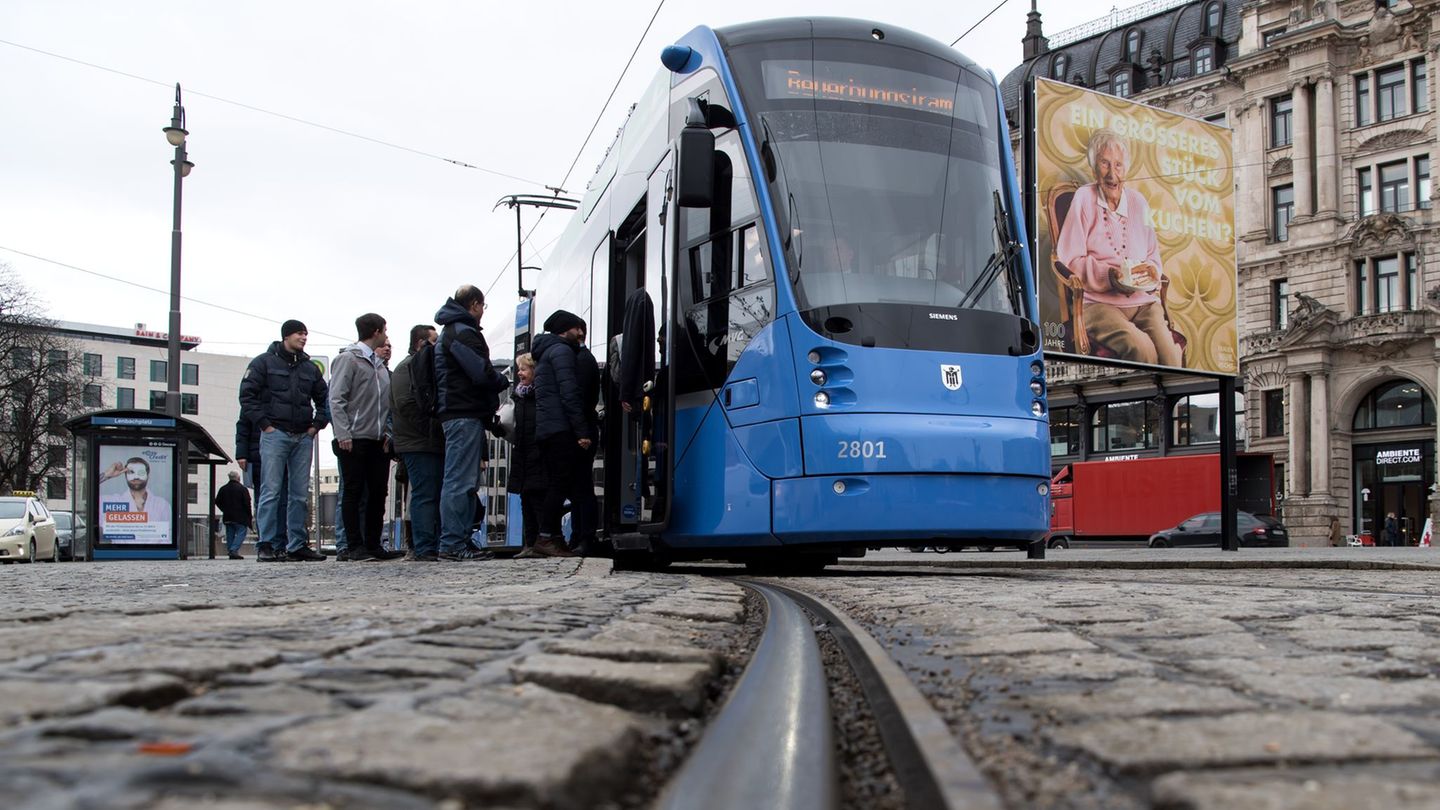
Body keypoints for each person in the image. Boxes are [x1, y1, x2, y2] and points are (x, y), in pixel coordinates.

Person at [1056, 129, 1183, 367]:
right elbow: (1069, 259)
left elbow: (1153, 258)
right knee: (1142, 349)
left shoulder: (1138, 202)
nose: (1112, 174)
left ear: (1126, 169)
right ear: (1094, 167)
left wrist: (1151, 273)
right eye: (1104, 163)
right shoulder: (1084, 197)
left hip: (1143, 302)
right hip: (1098, 303)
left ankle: (1168, 403)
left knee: (1171, 357)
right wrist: (1109, 276)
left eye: (1118, 165)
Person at [239, 319, 329, 562]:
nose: (304, 338)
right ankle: (266, 544)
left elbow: (324, 399)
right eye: (300, 334)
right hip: (275, 434)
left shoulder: (309, 368)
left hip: (303, 436)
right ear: (286, 336)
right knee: (271, 491)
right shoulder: (263, 363)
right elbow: (247, 397)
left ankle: (297, 545)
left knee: (300, 494)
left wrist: (316, 426)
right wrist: (265, 425)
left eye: (306, 334)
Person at [434, 285, 509, 561]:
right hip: (462, 412)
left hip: (460, 412)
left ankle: (459, 540)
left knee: (463, 481)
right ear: (475, 304)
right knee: (460, 482)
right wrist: (501, 380)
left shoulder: (453, 330)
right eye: (483, 307)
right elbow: (480, 372)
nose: (482, 312)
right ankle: (453, 544)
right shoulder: (462, 332)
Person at [330, 313, 399, 563]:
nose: (386, 335)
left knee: (378, 493)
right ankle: (353, 546)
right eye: (385, 330)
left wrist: (387, 432)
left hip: (378, 439)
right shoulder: (348, 360)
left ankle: (373, 544)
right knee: (353, 492)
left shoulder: (379, 365)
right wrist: (342, 433)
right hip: (354, 438)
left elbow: (386, 404)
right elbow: (336, 398)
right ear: (376, 331)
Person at [531, 310, 598, 558]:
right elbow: (570, 394)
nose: (580, 333)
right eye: (576, 328)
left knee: (563, 484)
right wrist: (582, 431)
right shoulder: (562, 352)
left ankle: (554, 538)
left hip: (550, 429)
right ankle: (547, 536)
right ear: (564, 329)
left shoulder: (545, 352)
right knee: (562, 485)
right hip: (563, 429)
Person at [390, 324, 443, 561]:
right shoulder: (407, 368)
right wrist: (435, 426)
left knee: (430, 493)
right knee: (425, 494)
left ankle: (430, 545)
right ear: (421, 344)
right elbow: (407, 405)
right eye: (434, 342)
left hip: (423, 441)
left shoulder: (416, 366)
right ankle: (424, 547)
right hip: (417, 442)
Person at [501, 353, 550, 558]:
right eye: (519, 369)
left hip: (537, 454)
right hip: (522, 453)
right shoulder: (518, 397)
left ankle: (541, 541)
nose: (519, 373)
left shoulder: (541, 396)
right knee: (526, 500)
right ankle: (529, 543)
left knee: (537, 499)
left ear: (534, 371)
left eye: (523, 369)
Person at [99, 457, 172, 521]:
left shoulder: (162, 505)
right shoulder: (110, 501)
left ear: (148, 475)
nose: (136, 477)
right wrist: (106, 475)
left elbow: (169, 532)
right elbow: (88, 490)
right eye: (131, 472)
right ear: (125, 476)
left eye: (141, 472)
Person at [214, 470, 253, 559]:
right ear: (238, 478)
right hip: (240, 517)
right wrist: (249, 517)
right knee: (241, 532)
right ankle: (233, 550)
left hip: (227, 516)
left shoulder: (223, 488)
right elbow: (247, 504)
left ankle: (231, 551)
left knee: (230, 534)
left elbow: (217, 501)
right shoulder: (242, 489)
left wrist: (224, 509)